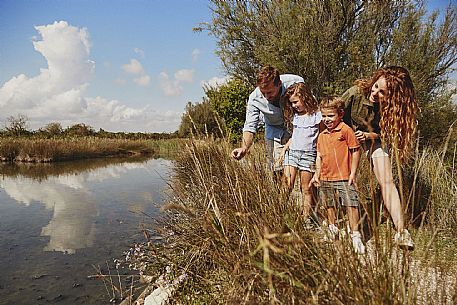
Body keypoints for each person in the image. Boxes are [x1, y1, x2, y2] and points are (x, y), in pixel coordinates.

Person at [342, 66, 418, 250]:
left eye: (382, 92)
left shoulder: (393, 110)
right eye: (376, 86)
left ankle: (401, 231)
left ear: (392, 96)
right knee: (343, 177)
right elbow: (334, 116)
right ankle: (339, 222)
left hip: (372, 141)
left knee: (387, 180)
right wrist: (351, 136)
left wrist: (369, 136)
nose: (375, 93)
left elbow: (387, 134)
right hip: (345, 139)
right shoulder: (355, 93)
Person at [309, 96, 365, 254]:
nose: (327, 119)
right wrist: (317, 174)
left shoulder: (346, 130)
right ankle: (332, 227)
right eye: (324, 116)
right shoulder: (322, 135)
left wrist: (353, 173)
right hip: (326, 177)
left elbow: (355, 151)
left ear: (340, 114)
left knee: (351, 204)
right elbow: (319, 156)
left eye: (330, 116)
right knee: (329, 204)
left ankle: (355, 235)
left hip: (344, 176)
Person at [231, 66, 304, 173]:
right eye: (263, 92)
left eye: (269, 92)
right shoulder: (254, 98)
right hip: (275, 130)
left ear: (279, 84)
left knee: (305, 167)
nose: (266, 96)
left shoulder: (295, 83)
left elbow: (310, 108)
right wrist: (244, 148)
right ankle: (279, 189)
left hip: (299, 127)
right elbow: (250, 126)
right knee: (276, 168)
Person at [279, 83, 321, 227]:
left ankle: (306, 218)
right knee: (287, 184)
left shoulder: (317, 116)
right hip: (293, 153)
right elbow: (296, 135)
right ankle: (279, 210)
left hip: (308, 155)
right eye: (292, 103)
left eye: (296, 102)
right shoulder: (296, 116)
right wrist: (286, 146)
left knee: (306, 188)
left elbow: (321, 136)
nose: (294, 105)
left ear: (305, 97)